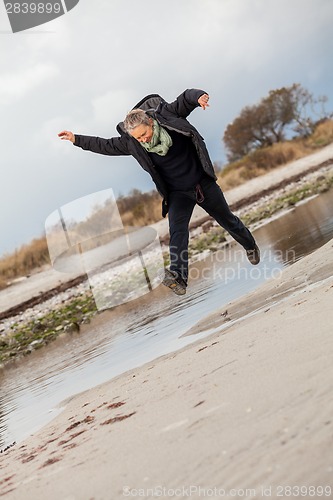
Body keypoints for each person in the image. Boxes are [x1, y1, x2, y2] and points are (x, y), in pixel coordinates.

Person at [58, 88, 260, 296]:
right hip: (177, 193)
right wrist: (76, 139)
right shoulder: (132, 143)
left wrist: (199, 97)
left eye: (144, 135)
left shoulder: (168, 116)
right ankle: (179, 277)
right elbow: (104, 145)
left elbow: (185, 99)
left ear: (151, 123)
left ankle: (250, 245)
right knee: (177, 232)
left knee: (227, 220)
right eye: (138, 138)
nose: (143, 140)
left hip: (202, 183)